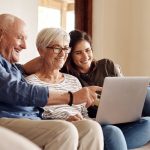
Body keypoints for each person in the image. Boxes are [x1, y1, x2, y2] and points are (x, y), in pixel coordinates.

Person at [0, 14, 104, 150]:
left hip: (32, 119)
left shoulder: (11, 65)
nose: (25, 46)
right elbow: (14, 89)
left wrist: (25, 67)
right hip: (8, 119)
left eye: (65, 49)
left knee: (91, 128)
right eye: (19, 38)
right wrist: (71, 97)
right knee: (64, 131)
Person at [62, 29, 150, 150]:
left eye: (88, 50)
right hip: (99, 123)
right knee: (112, 132)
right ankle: (110, 143)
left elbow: (125, 88)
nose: (85, 56)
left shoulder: (106, 65)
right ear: (70, 55)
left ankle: (111, 144)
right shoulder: (69, 77)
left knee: (148, 114)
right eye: (78, 53)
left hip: (121, 115)